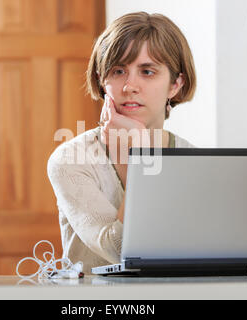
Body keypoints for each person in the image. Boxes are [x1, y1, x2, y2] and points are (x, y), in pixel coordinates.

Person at [47, 12, 197, 273]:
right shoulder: (70, 160)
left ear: (175, 84)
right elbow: (121, 251)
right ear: (103, 81)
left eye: (147, 71)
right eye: (118, 71)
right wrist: (139, 157)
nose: (129, 86)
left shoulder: (192, 159)